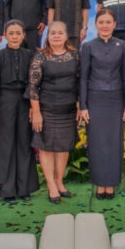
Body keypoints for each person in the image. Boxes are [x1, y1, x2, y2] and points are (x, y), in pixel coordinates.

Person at [79, 9, 125, 200]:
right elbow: (83, 77)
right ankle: (100, 184)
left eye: (108, 22)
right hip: (95, 99)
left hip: (117, 99)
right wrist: (83, 106)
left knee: (114, 142)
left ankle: (111, 184)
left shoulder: (123, 45)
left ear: (114, 24)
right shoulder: (88, 46)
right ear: (96, 24)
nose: (105, 26)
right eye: (101, 22)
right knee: (97, 142)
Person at [28, 21, 79, 204]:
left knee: (63, 147)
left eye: (60, 33)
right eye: (52, 33)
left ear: (66, 36)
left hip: (68, 110)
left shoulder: (75, 55)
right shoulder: (40, 57)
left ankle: (59, 182)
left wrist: (80, 105)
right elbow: (33, 87)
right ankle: (51, 185)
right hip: (47, 109)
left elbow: (80, 82)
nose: (56, 36)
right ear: (48, 37)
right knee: (47, 147)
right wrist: (36, 112)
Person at [0, 20, 39, 202]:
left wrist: (33, 106)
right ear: (5, 36)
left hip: (25, 101)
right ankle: (7, 189)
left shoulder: (30, 55)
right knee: (5, 144)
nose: (15, 37)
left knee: (24, 143)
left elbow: (34, 82)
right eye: (11, 33)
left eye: (18, 33)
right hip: (5, 101)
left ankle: (25, 188)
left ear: (23, 35)